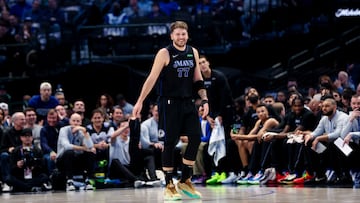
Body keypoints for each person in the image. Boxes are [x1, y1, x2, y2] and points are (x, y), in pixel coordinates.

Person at [132, 21, 209, 201]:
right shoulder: (164, 53)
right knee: (170, 142)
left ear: (187, 35)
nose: (181, 37)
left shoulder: (193, 52)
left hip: (188, 101)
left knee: (196, 137)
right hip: (168, 102)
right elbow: (152, 78)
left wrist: (204, 99)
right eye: (178, 34)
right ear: (171, 36)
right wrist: (140, 101)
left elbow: (198, 80)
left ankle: (184, 179)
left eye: (184, 34)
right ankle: (168, 184)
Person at [56, 113, 96, 191]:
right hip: (62, 160)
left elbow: (90, 146)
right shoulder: (63, 130)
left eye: (78, 121)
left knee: (91, 153)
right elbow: (67, 146)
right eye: (73, 121)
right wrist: (83, 148)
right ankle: (69, 181)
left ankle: (88, 181)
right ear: (70, 121)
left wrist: (85, 132)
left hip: (77, 159)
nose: (75, 123)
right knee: (69, 152)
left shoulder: (81, 131)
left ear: (81, 123)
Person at [8, 128, 51, 192]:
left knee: (44, 177)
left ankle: (24, 187)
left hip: (34, 176)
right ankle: (30, 187)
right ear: (21, 138)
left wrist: (35, 165)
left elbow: (43, 167)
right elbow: (11, 167)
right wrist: (17, 165)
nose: (27, 138)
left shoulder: (38, 150)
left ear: (32, 137)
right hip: (21, 176)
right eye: (25, 136)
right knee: (9, 178)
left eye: (29, 136)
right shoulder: (16, 151)